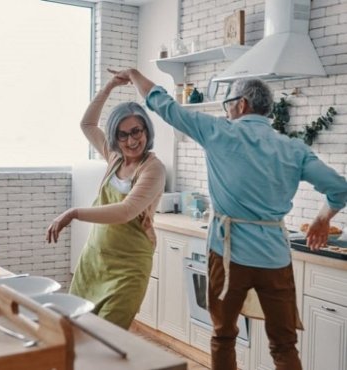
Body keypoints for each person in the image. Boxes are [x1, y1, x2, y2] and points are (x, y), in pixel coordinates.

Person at [108, 68, 347, 370]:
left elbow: (164, 104)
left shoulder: (217, 132)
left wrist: (134, 75)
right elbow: (339, 189)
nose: (227, 111)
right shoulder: (293, 148)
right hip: (274, 258)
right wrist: (323, 218)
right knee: (284, 345)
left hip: (227, 256)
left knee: (223, 336)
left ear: (242, 104)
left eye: (228, 103)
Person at [46, 75, 166, 330]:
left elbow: (126, 211)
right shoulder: (115, 158)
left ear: (146, 130)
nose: (131, 141)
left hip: (128, 268)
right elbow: (88, 123)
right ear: (115, 138)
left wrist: (74, 213)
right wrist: (109, 87)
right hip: (94, 261)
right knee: (75, 331)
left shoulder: (153, 169)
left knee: (106, 337)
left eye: (136, 131)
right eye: (122, 135)